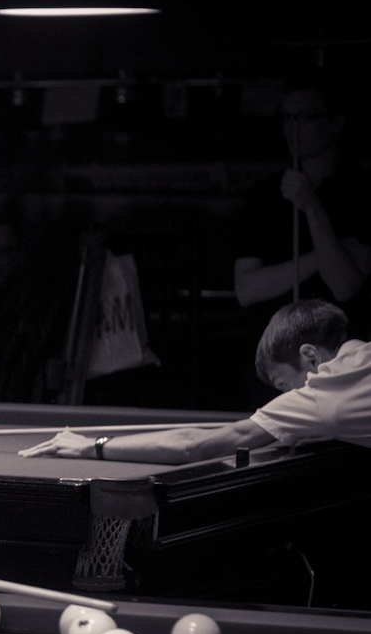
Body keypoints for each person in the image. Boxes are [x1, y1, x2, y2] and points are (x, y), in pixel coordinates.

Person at [19, 300, 369, 464]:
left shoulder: (323, 393)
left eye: (285, 386)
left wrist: (92, 446)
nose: (292, 396)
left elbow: (193, 445)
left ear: (310, 358)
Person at [233, 75, 370, 402]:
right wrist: (324, 257)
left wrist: (310, 205)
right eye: (287, 117)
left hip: (340, 363)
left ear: (336, 122)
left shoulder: (362, 191)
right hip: (276, 364)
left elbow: (345, 285)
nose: (292, 128)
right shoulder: (265, 196)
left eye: (304, 117)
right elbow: (247, 289)